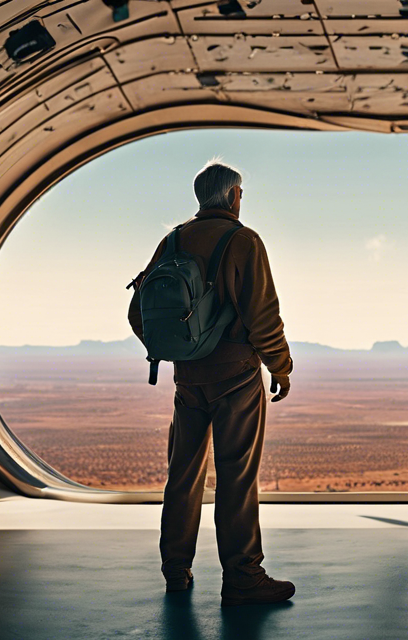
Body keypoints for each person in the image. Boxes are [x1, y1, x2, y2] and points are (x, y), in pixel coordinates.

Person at [128, 160, 296, 605]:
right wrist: (281, 366)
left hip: (188, 380)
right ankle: (243, 577)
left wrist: (181, 351)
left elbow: (137, 311)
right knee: (236, 477)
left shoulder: (172, 241)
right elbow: (263, 317)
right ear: (235, 196)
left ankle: (176, 570)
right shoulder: (243, 241)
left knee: (182, 476)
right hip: (237, 376)